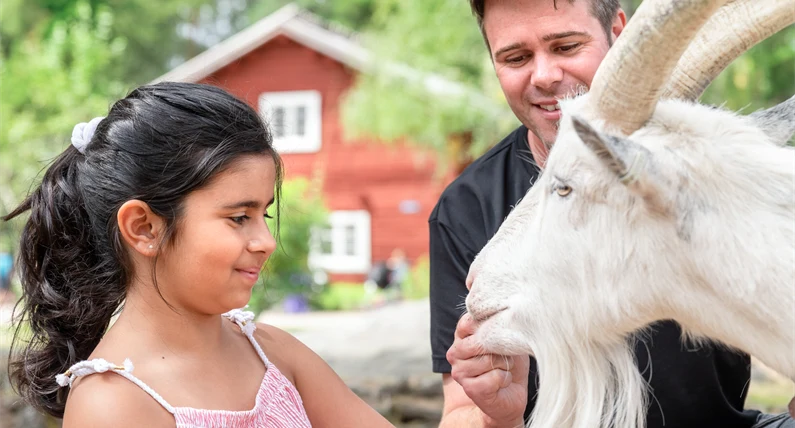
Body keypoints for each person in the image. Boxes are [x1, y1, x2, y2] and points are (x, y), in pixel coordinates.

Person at [429, 1, 793, 427]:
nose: (544, 75)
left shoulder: (697, 154)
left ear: (618, 33)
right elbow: (459, 413)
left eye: (565, 46)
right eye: (516, 57)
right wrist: (497, 415)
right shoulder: (466, 209)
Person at [4, 82, 393, 427]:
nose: (266, 241)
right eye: (240, 217)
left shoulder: (274, 355)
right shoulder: (112, 404)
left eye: (264, 214)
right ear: (144, 227)